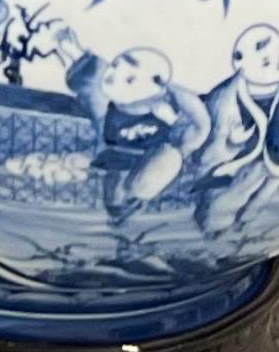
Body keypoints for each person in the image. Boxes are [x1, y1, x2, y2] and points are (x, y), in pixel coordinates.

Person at [193, 25, 279, 236]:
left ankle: (248, 218)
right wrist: (232, 141)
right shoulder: (228, 97)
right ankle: (216, 225)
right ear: (240, 64)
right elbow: (215, 132)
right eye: (266, 61)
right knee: (235, 191)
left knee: (266, 191)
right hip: (244, 158)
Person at [69, 46, 210, 222]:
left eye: (129, 79)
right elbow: (201, 125)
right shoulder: (110, 110)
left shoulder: (161, 114)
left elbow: (201, 126)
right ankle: (121, 209)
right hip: (123, 155)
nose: (113, 75)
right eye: (114, 65)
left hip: (145, 156)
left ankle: (125, 207)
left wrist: (171, 89)